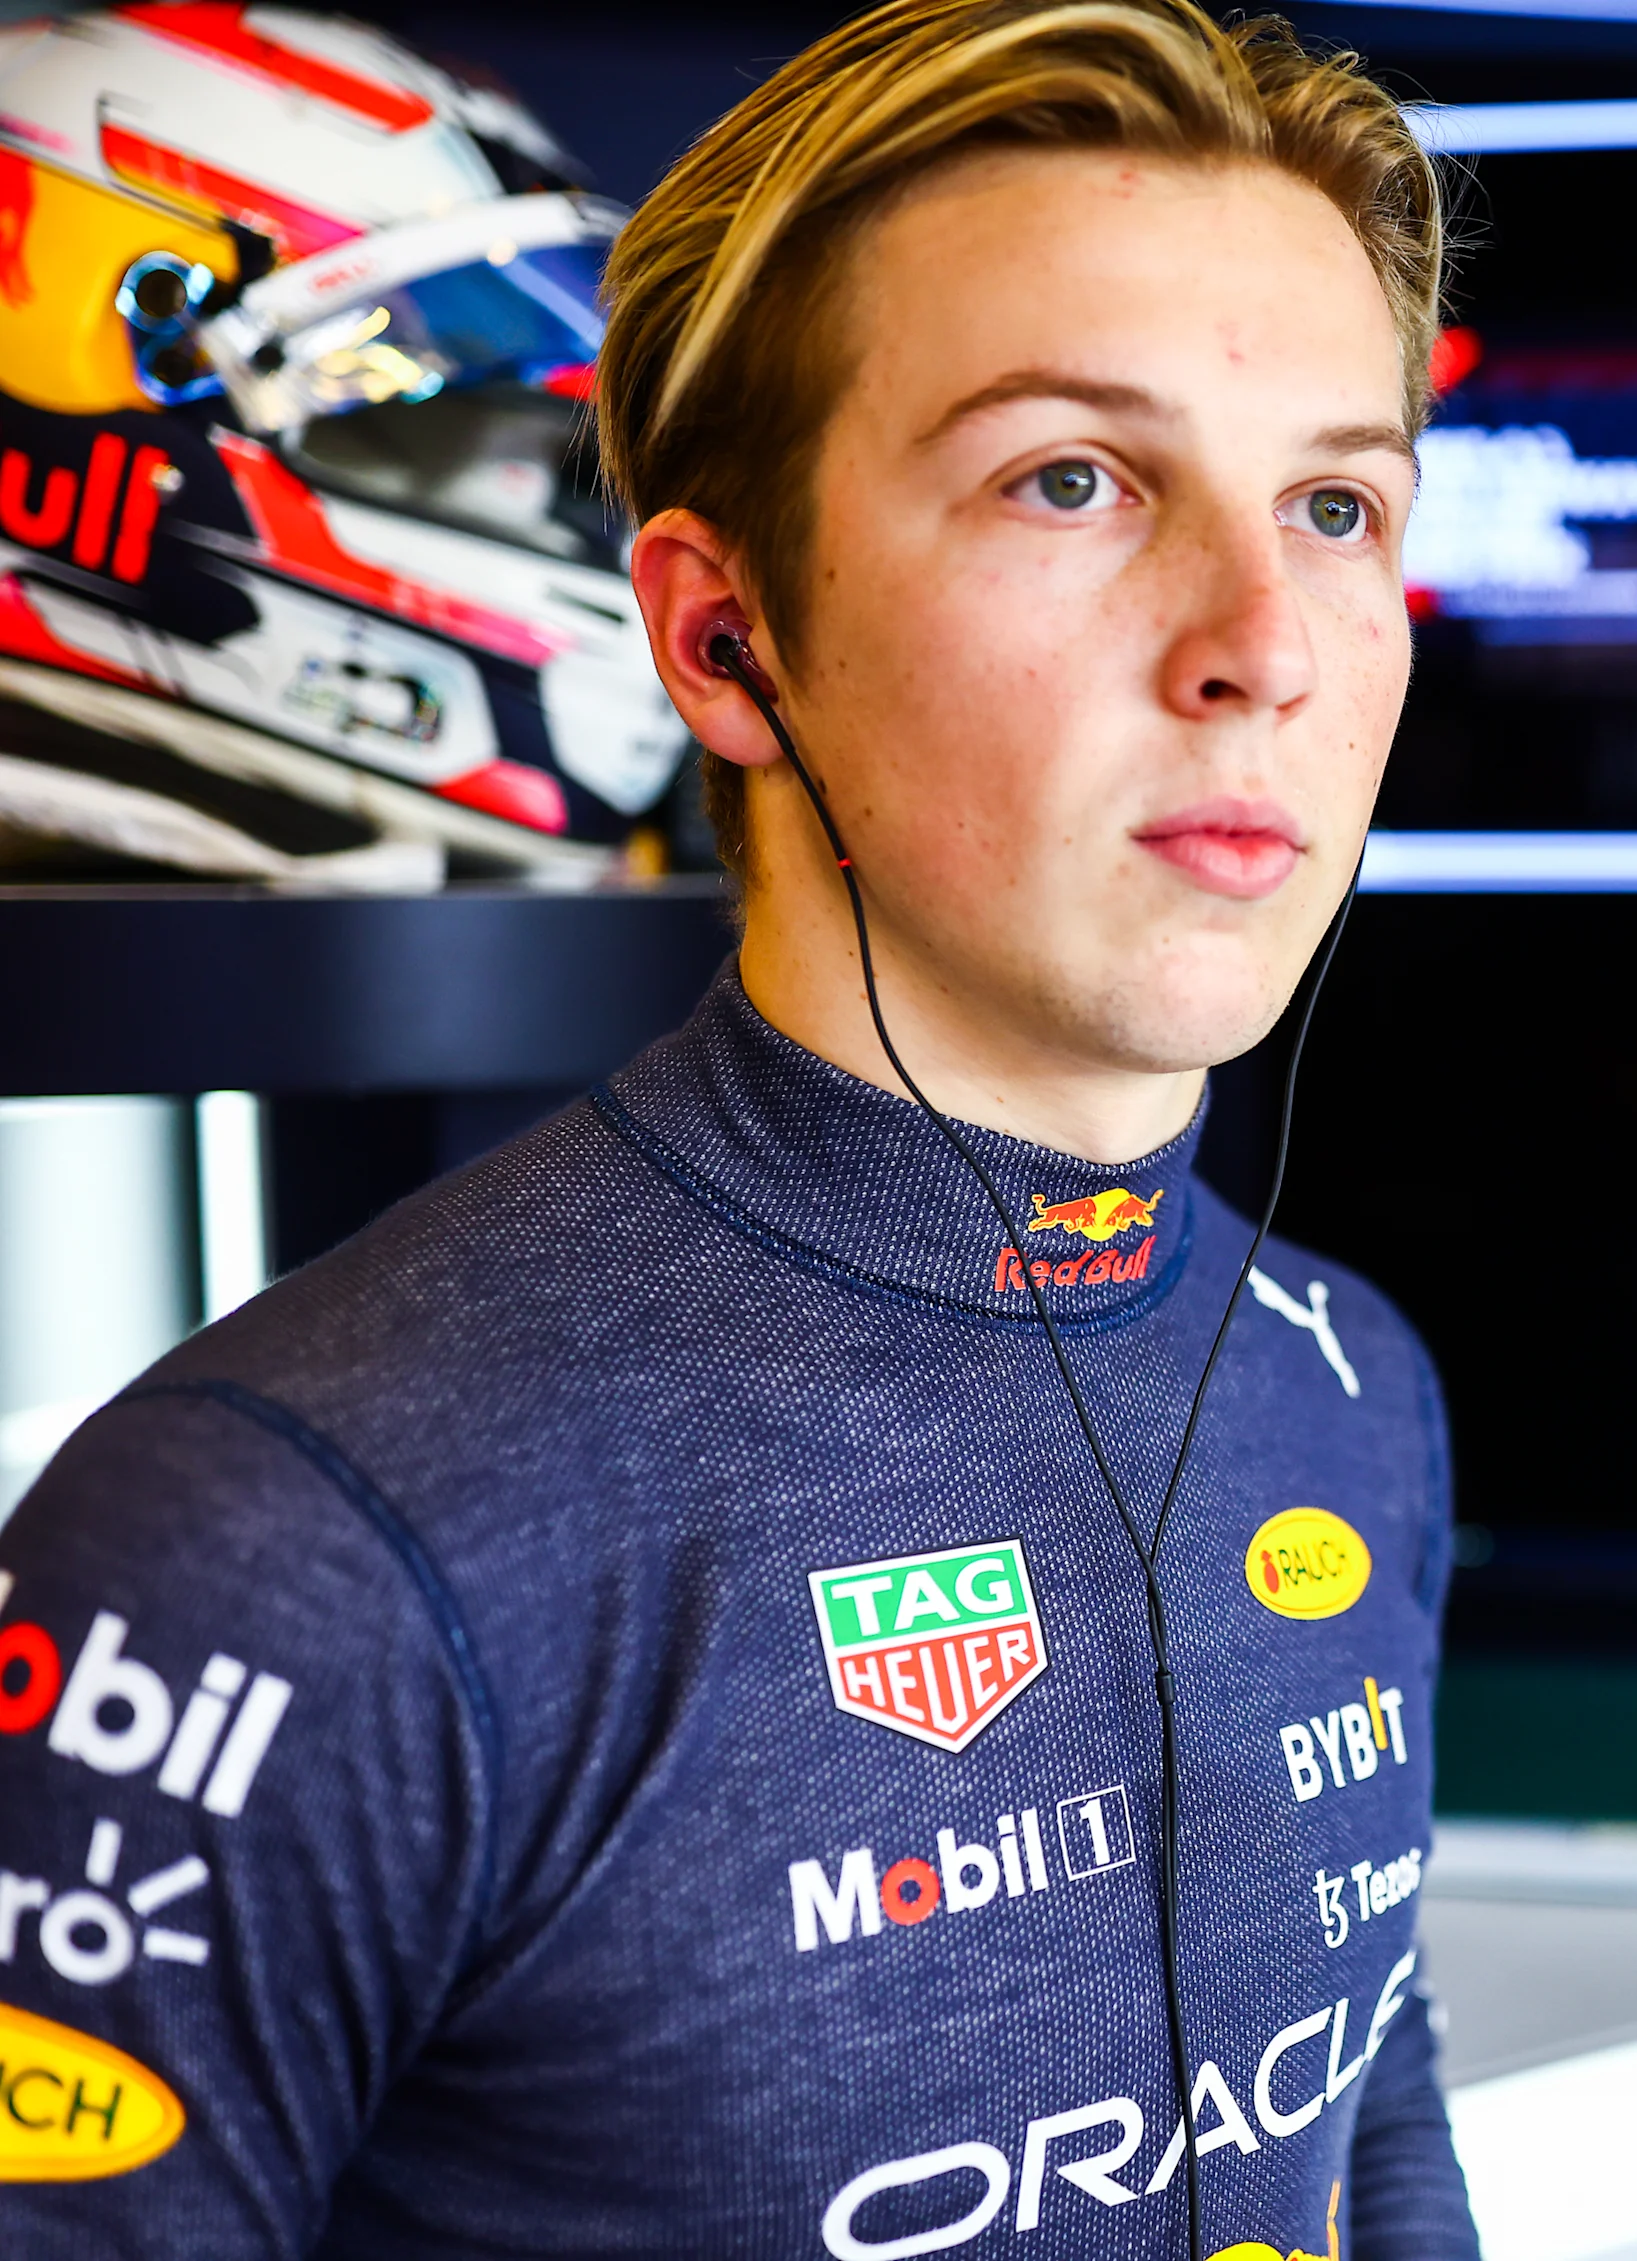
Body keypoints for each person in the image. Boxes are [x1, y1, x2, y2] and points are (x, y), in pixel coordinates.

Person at [0, 4, 1478, 2255]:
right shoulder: (270, 1540)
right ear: (722, 635)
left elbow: (1370, 2126)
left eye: (1335, 505)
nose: (1262, 641)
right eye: (1071, 479)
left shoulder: (1347, 1383)